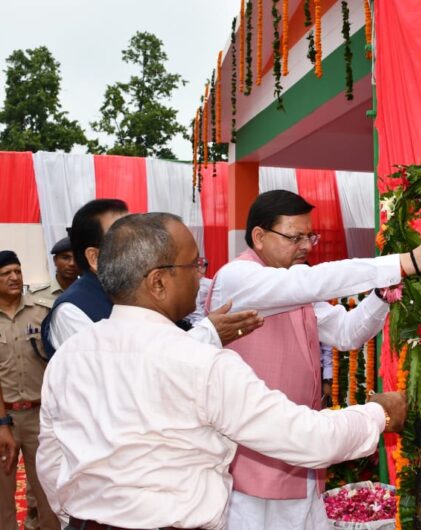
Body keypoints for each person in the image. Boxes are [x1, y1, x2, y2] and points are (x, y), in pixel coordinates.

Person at [36, 213, 408, 530]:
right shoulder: (198, 362)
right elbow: (307, 438)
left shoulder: (69, 357)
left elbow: (52, 463)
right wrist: (380, 413)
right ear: (158, 282)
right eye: (194, 265)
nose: (201, 277)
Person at [207, 190, 421, 530]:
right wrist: (405, 261)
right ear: (259, 237)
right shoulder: (239, 279)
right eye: (295, 236)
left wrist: (383, 294)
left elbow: (347, 333)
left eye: (310, 236)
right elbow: (312, 282)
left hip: (301, 456)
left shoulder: (292, 286)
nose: (306, 246)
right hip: (251, 470)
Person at [41, 199, 260, 356]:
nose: (138, 237)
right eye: (121, 234)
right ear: (95, 257)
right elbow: (120, 374)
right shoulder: (71, 311)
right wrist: (208, 334)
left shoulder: (142, 289)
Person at [0, 251, 59, 530]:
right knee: (3, 496)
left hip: (39, 415)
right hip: (3, 418)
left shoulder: (42, 310)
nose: (14, 277)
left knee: (48, 490)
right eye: (5, 274)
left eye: (17, 271)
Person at [29, 237, 79, 307]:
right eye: (65, 257)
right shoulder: (36, 295)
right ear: (55, 260)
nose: (72, 263)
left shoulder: (89, 293)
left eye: (77, 258)